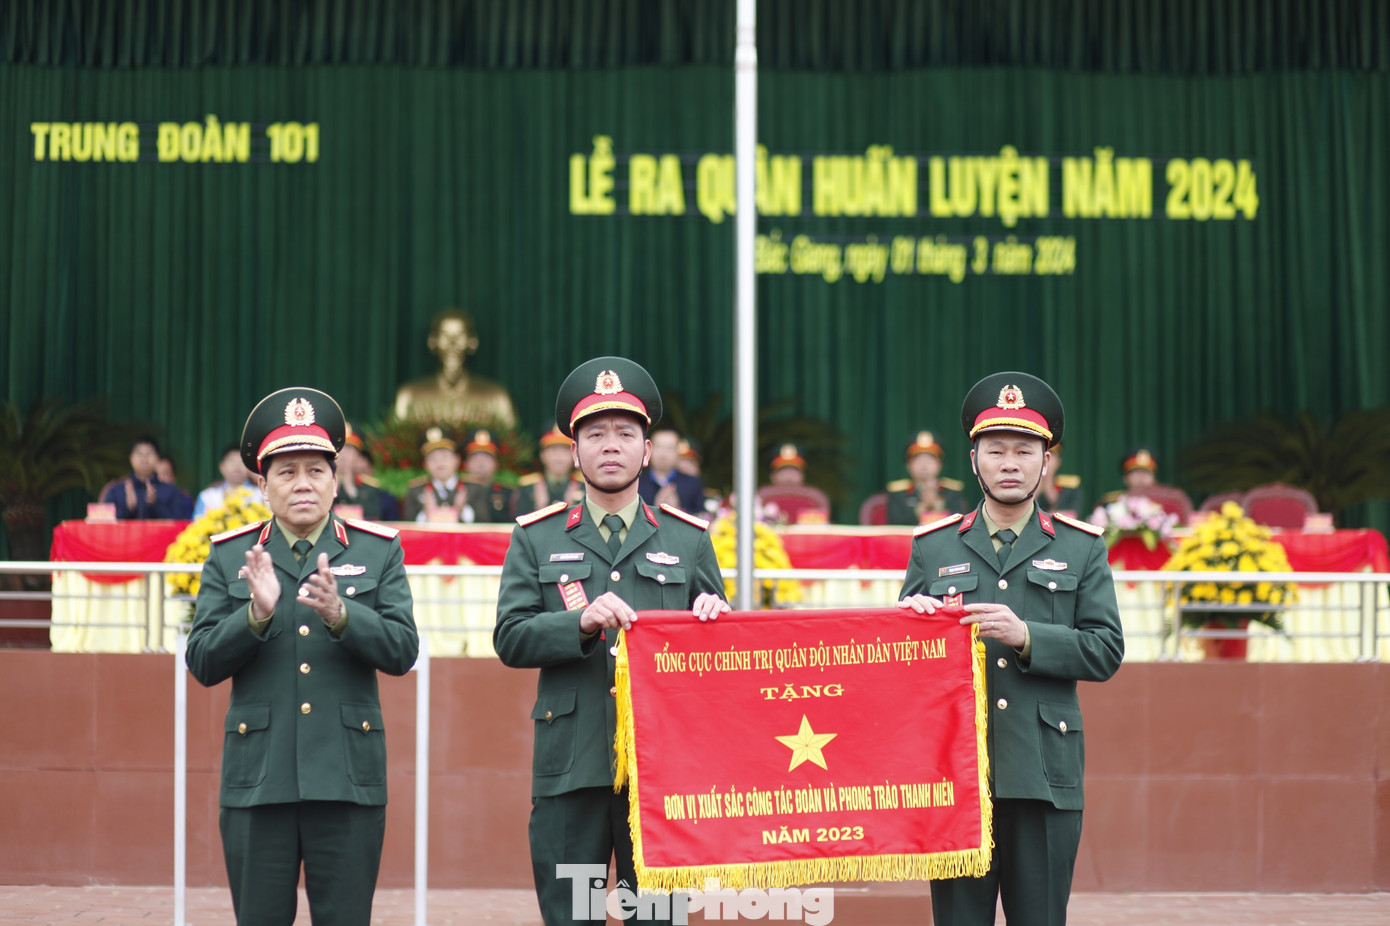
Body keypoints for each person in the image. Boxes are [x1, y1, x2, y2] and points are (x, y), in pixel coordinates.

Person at [493, 356, 728, 926]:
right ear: (573, 452)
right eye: (594, 434)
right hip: (573, 763)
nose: (610, 446)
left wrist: (716, 623)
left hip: (662, 772)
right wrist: (578, 623)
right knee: (571, 915)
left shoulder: (688, 539)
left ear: (648, 450)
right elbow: (510, 637)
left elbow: (719, 654)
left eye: (626, 433)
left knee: (656, 917)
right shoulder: (537, 537)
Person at [897, 372, 1124, 926]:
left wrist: (1027, 636)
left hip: (1044, 775)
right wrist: (914, 629)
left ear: (1047, 463)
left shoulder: (1081, 548)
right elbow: (901, 661)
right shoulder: (933, 547)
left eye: (1025, 451)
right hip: (958, 777)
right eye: (994, 450)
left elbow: (1105, 649)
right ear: (973, 459)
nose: (1009, 463)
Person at [185, 386, 418, 926]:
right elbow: (201, 661)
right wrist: (255, 617)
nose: (303, 483)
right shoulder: (230, 556)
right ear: (262, 485)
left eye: (316, 469)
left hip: (346, 777)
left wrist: (343, 615)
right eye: (286, 472)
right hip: (259, 780)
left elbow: (403, 650)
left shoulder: (377, 550)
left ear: (336, 480)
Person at [393, 308, 517, 428]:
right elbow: (393, 443)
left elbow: (514, 444)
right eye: (445, 335)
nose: (452, 343)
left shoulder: (496, 398)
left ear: (472, 342)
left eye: (460, 335)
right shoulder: (409, 397)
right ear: (432, 342)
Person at [884, 430, 969, 525]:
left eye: (930, 459)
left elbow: (962, 525)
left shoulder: (952, 491)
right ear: (908, 465)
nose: (924, 465)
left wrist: (938, 506)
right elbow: (894, 525)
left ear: (940, 464)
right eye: (918, 459)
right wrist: (921, 508)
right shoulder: (898, 493)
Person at [101, 436, 190, 520]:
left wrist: (156, 505)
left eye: (149, 453)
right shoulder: (116, 491)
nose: (144, 458)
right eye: (139, 453)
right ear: (131, 458)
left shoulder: (172, 492)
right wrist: (127, 508)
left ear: (157, 458)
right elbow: (104, 525)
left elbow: (179, 525)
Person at [402, 428, 475, 523]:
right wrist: (426, 514)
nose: (439, 463)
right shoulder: (416, 491)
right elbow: (408, 527)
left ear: (457, 459)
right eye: (433, 458)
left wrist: (462, 511)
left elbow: (485, 525)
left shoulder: (474, 489)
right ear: (425, 464)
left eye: (444, 457)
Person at [515, 425, 585, 516]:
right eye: (554, 450)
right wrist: (539, 508)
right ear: (542, 455)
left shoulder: (584, 485)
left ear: (574, 454)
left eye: (565, 450)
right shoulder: (528, 487)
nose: (559, 457)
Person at [334, 425, 400, 522]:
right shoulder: (320, 485)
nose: (343, 455)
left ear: (358, 457)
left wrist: (352, 491)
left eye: (349, 449)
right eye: (339, 449)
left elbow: (373, 520)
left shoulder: (370, 489)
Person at [637, 425, 706, 516]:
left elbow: (703, 517)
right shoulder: (636, 483)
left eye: (669, 448)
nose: (663, 454)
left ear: (678, 452)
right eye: (658, 447)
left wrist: (678, 511)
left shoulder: (692, 483)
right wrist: (654, 510)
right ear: (648, 450)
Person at [461, 428, 516, 523]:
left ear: (496, 463)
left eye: (487, 457)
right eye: (475, 457)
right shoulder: (457, 490)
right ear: (466, 463)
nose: (481, 463)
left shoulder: (508, 493)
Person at [193, 444, 263, 519]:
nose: (237, 466)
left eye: (241, 462)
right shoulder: (207, 496)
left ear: (249, 467)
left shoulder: (261, 495)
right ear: (222, 467)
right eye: (232, 462)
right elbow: (197, 525)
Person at [1037, 442, 1084, 517]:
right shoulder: (1025, 485)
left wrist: (1048, 481)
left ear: (1058, 462)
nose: (1046, 462)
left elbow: (1069, 516)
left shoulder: (1069, 487)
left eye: (1050, 457)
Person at [156, 454, 196, 519]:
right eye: (155, 474)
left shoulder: (185, 500)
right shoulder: (142, 498)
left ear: (173, 477)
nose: (160, 478)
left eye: (165, 473)